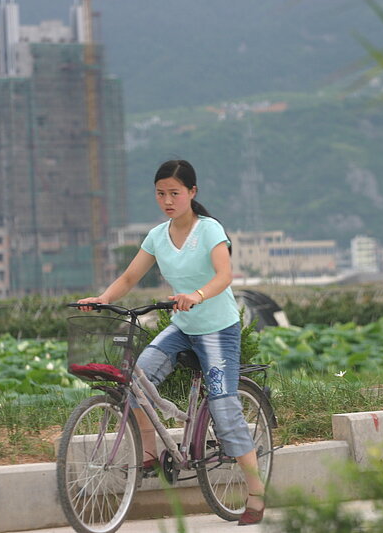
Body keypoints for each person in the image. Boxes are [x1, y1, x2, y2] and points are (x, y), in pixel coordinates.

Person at [78, 159, 265, 525]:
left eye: (174, 193)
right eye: (161, 193)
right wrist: (103, 298)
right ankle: (149, 452)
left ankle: (256, 494)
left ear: (192, 193)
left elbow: (225, 275)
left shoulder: (209, 230)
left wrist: (196, 294)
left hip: (217, 328)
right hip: (183, 325)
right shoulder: (157, 236)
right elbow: (131, 276)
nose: (167, 200)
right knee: (134, 379)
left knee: (225, 411)